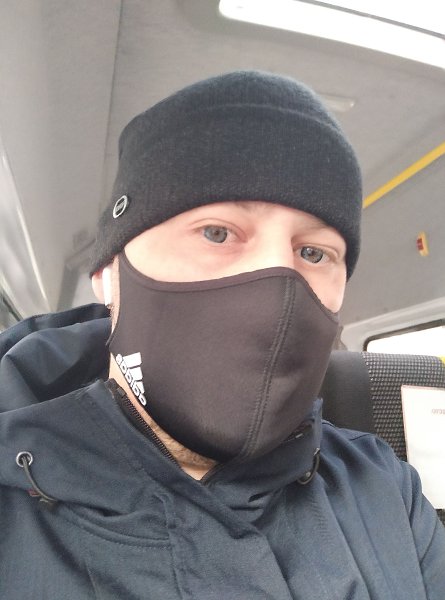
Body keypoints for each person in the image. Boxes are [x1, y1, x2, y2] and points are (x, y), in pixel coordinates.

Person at [0, 71, 444, 600]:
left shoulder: (385, 487)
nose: (277, 281)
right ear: (109, 273)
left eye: (313, 252)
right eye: (217, 233)